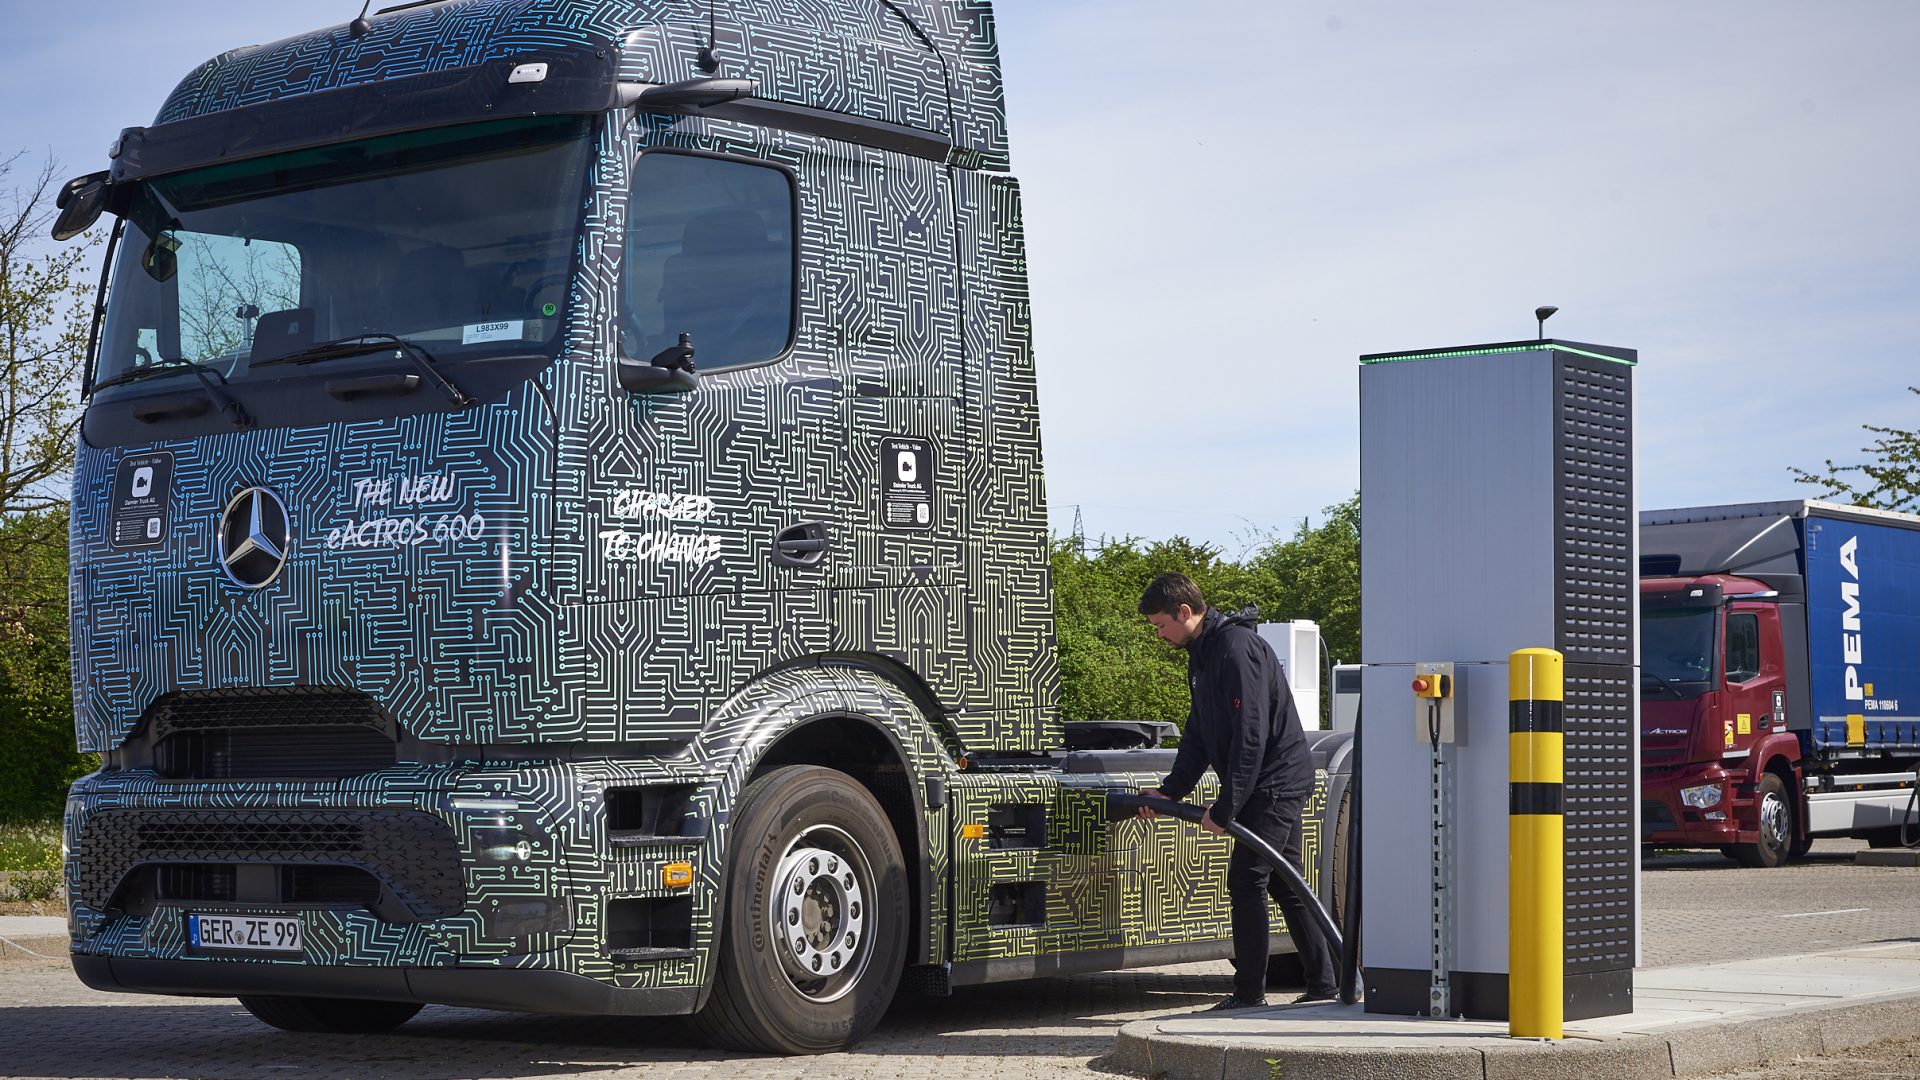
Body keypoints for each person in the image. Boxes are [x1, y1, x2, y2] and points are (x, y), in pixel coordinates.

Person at [1135, 572, 1336, 1011]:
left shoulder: (1237, 650)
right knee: (1287, 883)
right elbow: (1199, 734)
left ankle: (1248, 996)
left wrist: (1226, 808)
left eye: (1161, 625)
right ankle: (1325, 986)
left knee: (1247, 880)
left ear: (1184, 612)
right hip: (1265, 782)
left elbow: (1250, 735)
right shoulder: (1202, 655)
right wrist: (1171, 791)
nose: (1160, 634)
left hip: (1276, 781)